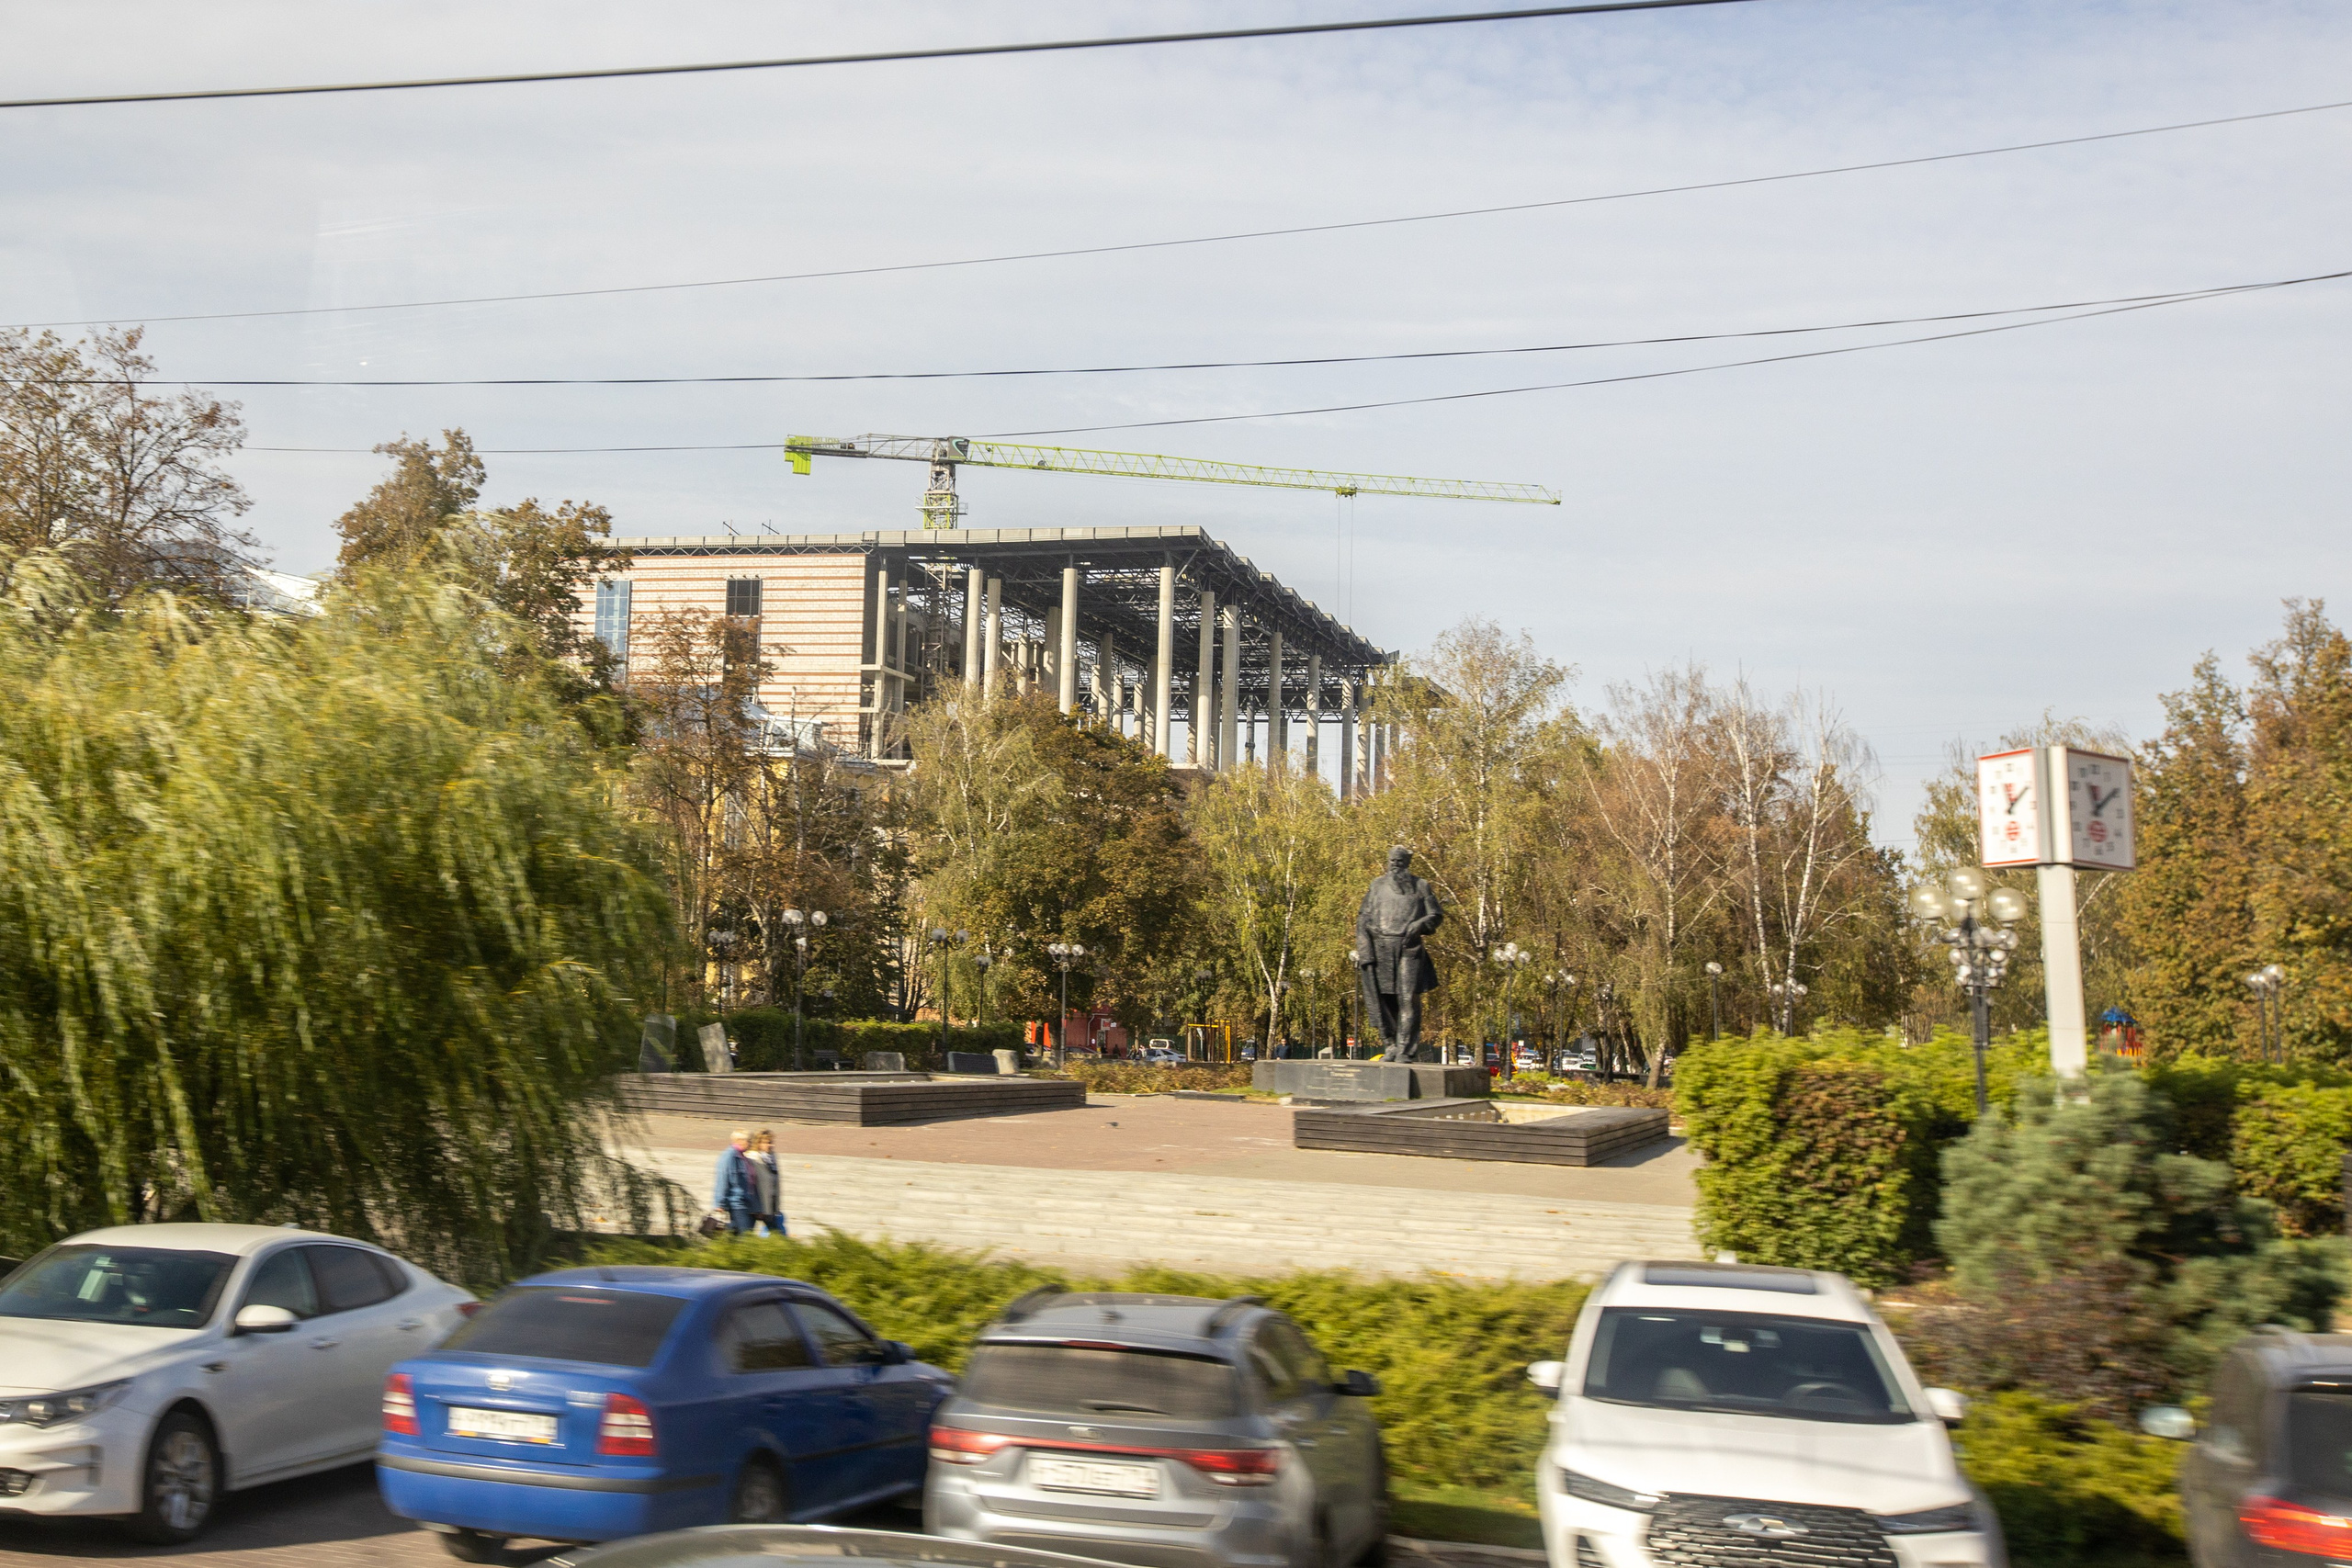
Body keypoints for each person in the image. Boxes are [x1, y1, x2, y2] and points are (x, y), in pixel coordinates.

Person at [713, 1128, 758, 1235]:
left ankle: (725, 1234)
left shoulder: (741, 1156)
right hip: (736, 1203)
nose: (751, 1144)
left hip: (745, 1202)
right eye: (749, 1141)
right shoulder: (729, 1156)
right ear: (739, 1141)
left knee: (737, 1234)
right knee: (745, 1236)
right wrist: (719, 1203)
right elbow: (722, 1179)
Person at [750, 1129, 786, 1237]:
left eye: (771, 1142)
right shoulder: (752, 1159)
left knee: (777, 1235)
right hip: (756, 1206)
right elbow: (752, 1184)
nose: (771, 1145)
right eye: (768, 1142)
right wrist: (757, 1207)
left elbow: (775, 1182)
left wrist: (776, 1206)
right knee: (745, 1235)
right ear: (759, 1143)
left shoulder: (772, 1158)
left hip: (769, 1205)